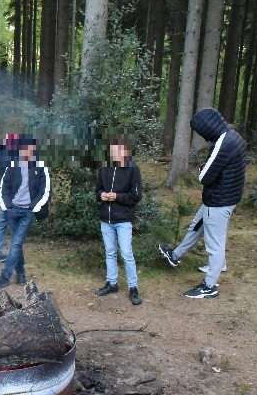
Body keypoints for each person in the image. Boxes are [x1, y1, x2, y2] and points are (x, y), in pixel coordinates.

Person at [158, 107, 246, 298]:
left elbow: (205, 177)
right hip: (223, 197)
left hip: (219, 201)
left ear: (207, 128)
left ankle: (209, 286)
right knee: (197, 227)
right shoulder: (232, 135)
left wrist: (200, 169)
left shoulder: (223, 143)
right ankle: (176, 255)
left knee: (215, 243)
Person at [0, 135, 51, 289]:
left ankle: (5, 276)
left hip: (27, 212)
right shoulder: (13, 165)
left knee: (15, 244)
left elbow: (46, 190)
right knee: (18, 243)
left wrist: (34, 207)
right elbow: (4, 188)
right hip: (12, 210)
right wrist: (7, 206)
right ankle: (21, 273)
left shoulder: (40, 166)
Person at [95, 136, 143, 305]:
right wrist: (101, 195)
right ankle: (112, 283)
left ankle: (133, 288)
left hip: (123, 219)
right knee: (110, 252)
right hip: (105, 218)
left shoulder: (132, 168)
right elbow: (97, 189)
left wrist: (117, 196)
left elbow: (136, 196)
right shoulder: (104, 167)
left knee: (127, 253)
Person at [0, 133, 19, 264]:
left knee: (3, 223)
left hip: (3, 193)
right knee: (15, 224)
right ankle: (14, 254)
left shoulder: (2, 156)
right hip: (14, 194)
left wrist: (0, 144)